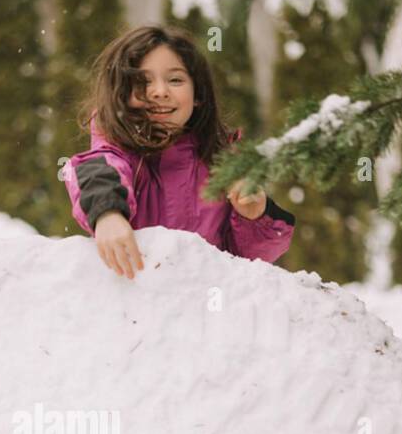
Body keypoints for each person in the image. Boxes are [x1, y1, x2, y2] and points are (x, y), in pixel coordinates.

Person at [63, 24, 295, 279]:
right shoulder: (118, 154)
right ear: (122, 94)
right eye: (142, 81)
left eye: (175, 80)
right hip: (135, 309)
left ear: (197, 93)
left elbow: (243, 262)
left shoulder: (222, 163)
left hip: (207, 307)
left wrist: (254, 216)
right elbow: (99, 172)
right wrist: (107, 214)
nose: (160, 91)